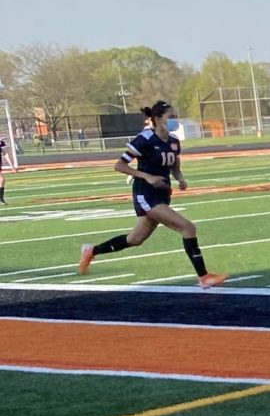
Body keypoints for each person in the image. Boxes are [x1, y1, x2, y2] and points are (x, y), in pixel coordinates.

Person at [79, 101, 228, 288]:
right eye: (170, 117)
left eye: (175, 116)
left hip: (163, 192)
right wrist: (146, 176)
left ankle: (91, 251)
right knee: (188, 228)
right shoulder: (145, 139)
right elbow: (119, 165)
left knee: (135, 239)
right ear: (157, 119)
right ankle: (204, 277)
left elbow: (174, 165)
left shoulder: (173, 141)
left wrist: (180, 178)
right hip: (146, 193)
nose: (174, 120)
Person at [0, 137, 17, 205]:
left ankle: (1, 198)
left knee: (2, 180)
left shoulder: (1, 142)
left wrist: (11, 166)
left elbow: (5, 154)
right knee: (1, 179)